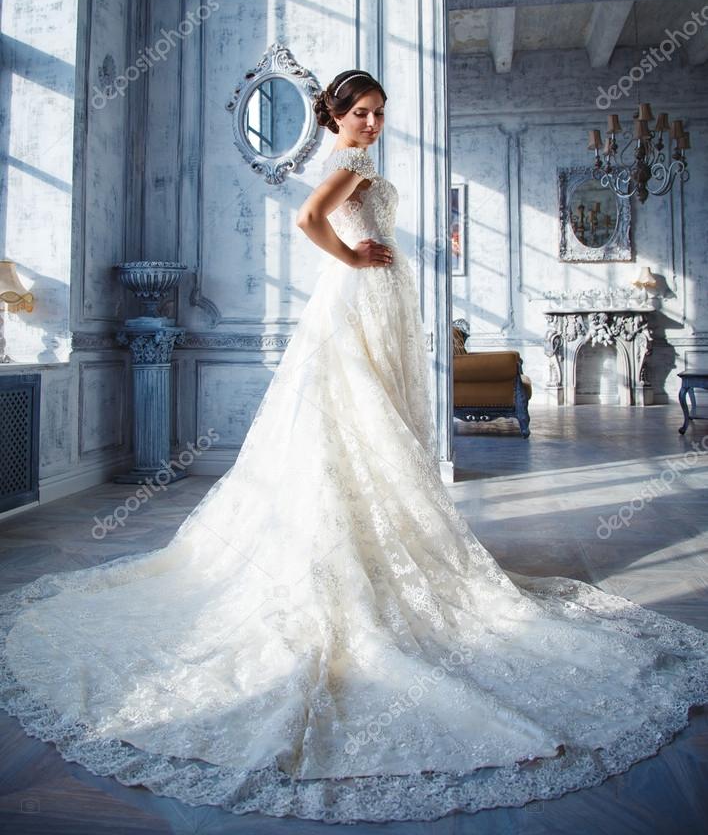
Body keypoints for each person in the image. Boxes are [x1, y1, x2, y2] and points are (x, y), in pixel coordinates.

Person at [0, 69, 706, 825]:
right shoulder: (351, 163)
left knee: (371, 427)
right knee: (350, 419)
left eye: (378, 113)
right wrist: (353, 259)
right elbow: (309, 220)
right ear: (333, 115)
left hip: (371, 302)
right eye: (360, 112)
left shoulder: (361, 161)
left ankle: (369, 546)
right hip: (355, 301)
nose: (372, 123)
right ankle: (341, 556)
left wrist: (366, 263)